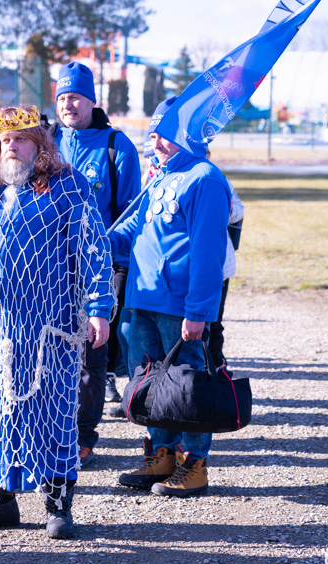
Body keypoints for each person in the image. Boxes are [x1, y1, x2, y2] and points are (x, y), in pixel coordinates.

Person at [0, 104, 114, 539]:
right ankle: (0, 500)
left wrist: (99, 308)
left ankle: (58, 504)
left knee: (52, 411)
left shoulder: (67, 186)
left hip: (51, 324)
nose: (12, 147)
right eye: (5, 141)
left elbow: (94, 249)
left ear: (39, 143)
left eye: (20, 139)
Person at [112, 97, 230, 498]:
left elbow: (208, 252)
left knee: (187, 385)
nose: (155, 140)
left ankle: (193, 464)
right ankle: (160, 454)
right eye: (154, 131)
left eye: (165, 132)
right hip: (140, 300)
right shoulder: (160, 176)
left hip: (178, 307)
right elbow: (128, 229)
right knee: (147, 382)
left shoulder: (205, 178)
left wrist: (199, 312)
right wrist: (87, 238)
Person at [49, 62, 141, 466]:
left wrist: (110, 255)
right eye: (63, 97)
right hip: (46, 267)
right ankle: (51, 426)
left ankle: (84, 435)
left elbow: (134, 213)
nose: (69, 104)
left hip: (96, 269)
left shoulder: (116, 146)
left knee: (91, 353)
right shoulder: (44, 140)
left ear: (91, 100)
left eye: (76, 97)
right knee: (48, 349)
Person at [207, 148, 244, 370]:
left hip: (220, 265)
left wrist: (224, 208)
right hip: (188, 266)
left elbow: (238, 210)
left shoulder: (220, 180)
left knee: (214, 322)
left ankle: (216, 368)